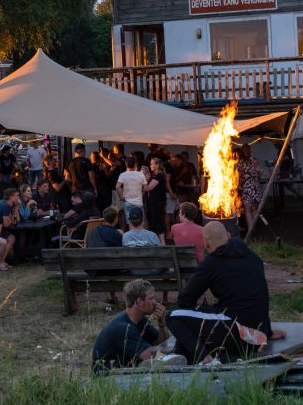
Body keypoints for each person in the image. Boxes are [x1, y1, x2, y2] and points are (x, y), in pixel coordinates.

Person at [167, 221, 286, 364]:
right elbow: (260, 295)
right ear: (228, 236)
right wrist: (268, 331)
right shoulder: (252, 256)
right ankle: (178, 356)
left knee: (174, 316)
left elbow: (185, 300)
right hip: (258, 336)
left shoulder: (211, 262)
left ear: (205, 242)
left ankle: (205, 359)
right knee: (199, 320)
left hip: (237, 334)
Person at [91, 279, 176, 373]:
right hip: (107, 378)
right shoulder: (123, 328)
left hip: (122, 372)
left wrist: (162, 323)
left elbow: (160, 342)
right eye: (151, 299)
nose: (155, 302)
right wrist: (174, 356)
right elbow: (151, 356)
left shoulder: (140, 320)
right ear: (139, 302)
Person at [238, 144, 264, 235]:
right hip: (255, 187)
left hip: (246, 187)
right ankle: (254, 228)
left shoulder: (240, 162)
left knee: (248, 209)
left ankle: (250, 231)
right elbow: (260, 174)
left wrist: (239, 186)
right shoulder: (255, 160)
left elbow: (238, 176)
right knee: (254, 209)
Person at [116, 156, 147, 229]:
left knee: (130, 222)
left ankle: (132, 239)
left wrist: (121, 197)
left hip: (128, 202)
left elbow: (117, 187)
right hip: (139, 202)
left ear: (126, 164)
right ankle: (140, 239)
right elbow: (146, 188)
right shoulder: (141, 174)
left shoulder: (123, 175)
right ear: (135, 164)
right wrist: (141, 194)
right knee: (140, 222)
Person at [144, 157, 169, 243]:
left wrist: (144, 181)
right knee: (156, 221)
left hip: (157, 202)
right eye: (150, 164)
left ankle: (162, 242)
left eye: (152, 164)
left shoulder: (159, 176)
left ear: (157, 165)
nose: (150, 165)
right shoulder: (155, 176)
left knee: (157, 221)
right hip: (155, 202)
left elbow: (148, 188)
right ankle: (160, 241)